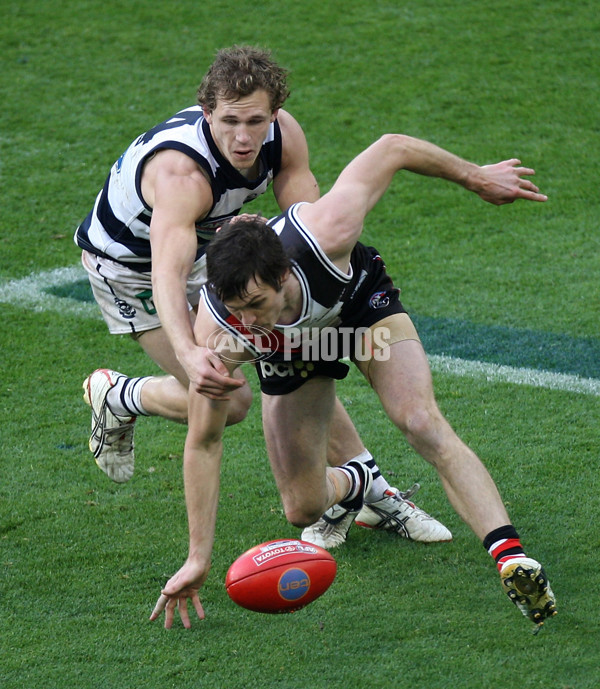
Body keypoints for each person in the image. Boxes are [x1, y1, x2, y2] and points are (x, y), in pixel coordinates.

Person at [149, 133, 557, 630]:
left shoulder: (326, 231)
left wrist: (475, 175)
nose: (248, 321)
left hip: (359, 312)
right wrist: (197, 558)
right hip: (294, 352)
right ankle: (361, 482)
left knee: (421, 420)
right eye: (235, 310)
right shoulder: (224, 337)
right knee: (302, 509)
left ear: (282, 276)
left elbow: (390, 148)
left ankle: (510, 556)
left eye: (256, 305)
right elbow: (204, 441)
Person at [75, 45, 450, 546]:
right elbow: (167, 271)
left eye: (255, 121)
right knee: (227, 402)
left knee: (294, 349)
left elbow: (305, 223)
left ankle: (371, 496)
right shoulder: (181, 175)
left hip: (216, 249)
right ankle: (119, 395)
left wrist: (314, 297)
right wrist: (190, 353)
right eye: (230, 121)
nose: (244, 137)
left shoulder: (281, 136)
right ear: (207, 112)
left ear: (274, 113)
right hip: (134, 269)